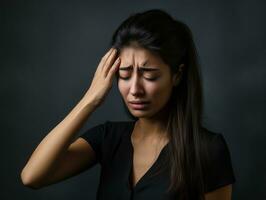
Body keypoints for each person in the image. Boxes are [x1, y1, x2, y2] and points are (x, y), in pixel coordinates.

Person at [20, 9, 236, 200]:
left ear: (177, 75)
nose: (135, 89)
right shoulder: (108, 138)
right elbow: (32, 176)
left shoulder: (207, 150)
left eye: (149, 75)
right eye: (124, 74)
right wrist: (90, 99)